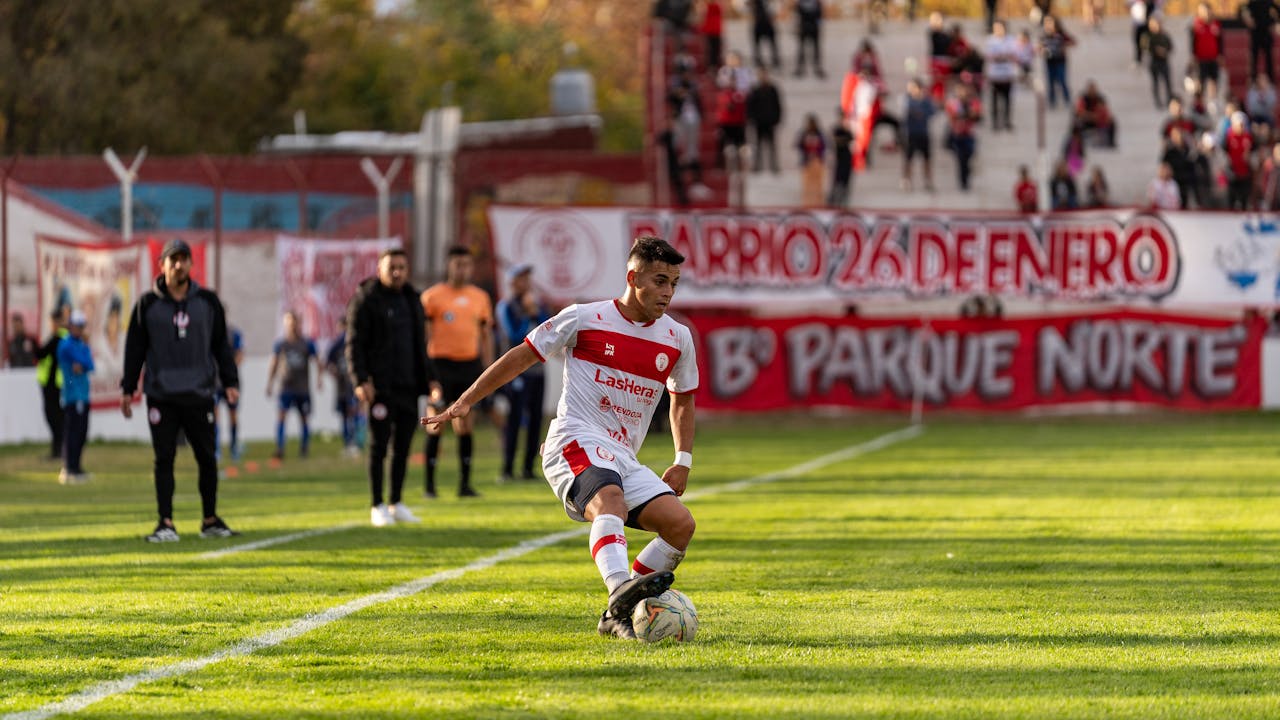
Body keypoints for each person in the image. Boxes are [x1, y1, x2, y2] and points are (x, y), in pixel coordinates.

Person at [420, 235, 699, 641]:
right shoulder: (584, 318)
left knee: (680, 526)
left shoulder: (677, 338)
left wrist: (682, 458)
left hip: (623, 455)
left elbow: (682, 400)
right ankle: (621, 590)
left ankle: (615, 609)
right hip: (574, 438)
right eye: (659, 281)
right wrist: (466, 401)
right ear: (632, 276)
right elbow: (521, 354)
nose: (668, 292)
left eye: (674, 283)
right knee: (611, 503)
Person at [121, 239, 239, 543]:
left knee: (207, 459)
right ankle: (166, 523)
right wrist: (127, 388)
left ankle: (210, 520)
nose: (179, 264)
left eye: (184, 259)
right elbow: (134, 349)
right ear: (161, 265)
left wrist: (230, 382)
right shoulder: (147, 304)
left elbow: (220, 347)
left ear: (191, 264)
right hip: (161, 394)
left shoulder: (208, 303)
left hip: (199, 393)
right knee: (164, 459)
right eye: (173, 259)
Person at [347, 248, 435, 526]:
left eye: (401, 267)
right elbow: (354, 344)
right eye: (391, 267)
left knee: (404, 446)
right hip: (379, 387)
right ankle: (377, 505)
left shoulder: (412, 299)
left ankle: (396, 502)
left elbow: (420, 345)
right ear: (379, 269)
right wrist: (360, 380)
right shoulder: (366, 299)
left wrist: (430, 379)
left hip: (408, 385)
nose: (397, 272)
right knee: (378, 446)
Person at [421, 245, 494, 499]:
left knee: (465, 424)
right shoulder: (432, 297)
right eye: (457, 264)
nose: (462, 269)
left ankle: (465, 485)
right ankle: (429, 486)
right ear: (448, 266)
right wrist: (426, 371)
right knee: (436, 422)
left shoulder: (480, 297)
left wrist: (488, 368)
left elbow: (486, 335)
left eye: (466, 264)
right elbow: (424, 336)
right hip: (439, 366)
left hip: (469, 366)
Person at [495, 264, 552, 483]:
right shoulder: (506, 306)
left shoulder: (536, 305)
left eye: (528, 278)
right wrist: (530, 315)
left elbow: (548, 330)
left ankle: (528, 468)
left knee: (537, 419)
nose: (526, 283)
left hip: (537, 371)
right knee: (515, 418)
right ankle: (507, 469)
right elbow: (514, 334)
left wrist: (535, 313)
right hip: (517, 373)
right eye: (522, 279)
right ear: (512, 282)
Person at [266, 310, 323, 460]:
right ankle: (280, 448)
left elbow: (318, 361)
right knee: (281, 417)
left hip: (302, 388)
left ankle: (304, 449)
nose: (292, 326)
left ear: (299, 324)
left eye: (294, 322)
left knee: (304, 418)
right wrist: (270, 383)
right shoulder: (281, 344)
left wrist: (319, 379)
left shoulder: (307, 343)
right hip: (285, 387)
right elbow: (274, 363)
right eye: (289, 323)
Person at [57, 310, 94, 485]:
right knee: (72, 432)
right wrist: (81, 362)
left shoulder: (82, 345)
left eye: (81, 326)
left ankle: (77, 466)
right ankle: (69, 467)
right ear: (70, 326)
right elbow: (78, 359)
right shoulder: (66, 344)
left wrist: (82, 364)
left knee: (82, 433)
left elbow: (88, 364)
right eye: (77, 326)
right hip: (72, 395)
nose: (80, 329)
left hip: (84, 394)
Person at [326, 317, 363, 458]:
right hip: (341, 386)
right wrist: (334, 371)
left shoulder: (355, 343)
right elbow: (328, 362)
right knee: (344, 416)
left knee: (354, 413)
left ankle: (355, 443)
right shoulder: (336, 346)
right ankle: (348, 443)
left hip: (353, 386)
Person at [34, 309, 68, 461]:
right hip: (54, 383)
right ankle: (59, 449)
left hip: (53, 383)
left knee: (54, 417)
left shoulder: (58, 338)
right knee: (57, 417)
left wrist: (32, 344)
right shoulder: (61, 338)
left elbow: (41, 353)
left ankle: (58, 450)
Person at [214, 310, 244, 462]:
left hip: (230, 382)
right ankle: (216, 449)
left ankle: (233, 446)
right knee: (214, 416)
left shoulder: (234, 334)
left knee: (233, 415)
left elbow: (240, 355)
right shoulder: (209, 333)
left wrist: (229, 371)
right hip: (214, 383)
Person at [901, 77, 937, 192]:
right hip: (911, 134)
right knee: (908, 159)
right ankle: (906, 180)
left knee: (926, 159)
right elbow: (906, 112)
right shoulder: (907, 100)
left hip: (923, 133)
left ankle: (928, 181)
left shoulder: (926, 100)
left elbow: (931, 112)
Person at [747, 66, 783, 174]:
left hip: (770, 121)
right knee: (757, 145)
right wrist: (752, 119)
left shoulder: (773, 89)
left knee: (772, 146)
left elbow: (778, 105)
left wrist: (777, 119)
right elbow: (750, 106)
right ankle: (757, 166)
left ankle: (774, 166)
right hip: (759, 122)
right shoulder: (755, 90)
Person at [985, 20, 1019, 132]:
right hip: (995, 75)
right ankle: (995, 123)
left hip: (1007, 74)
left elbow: (1013, 55)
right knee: (994, 101)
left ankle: (1007, 121)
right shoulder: (991, 40)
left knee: (1007, 101)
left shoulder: (1011, 40)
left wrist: (1001, 56)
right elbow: (991, 56)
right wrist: (1003, 56)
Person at [1190, 3, 1223, 110]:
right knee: (1200, 81)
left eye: (1207, 10)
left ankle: (1213, 101)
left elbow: (1220, 41)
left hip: (1213, 57)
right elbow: (1192, 42)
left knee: (1214, 79)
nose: (1206, 13)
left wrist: (1220, 55)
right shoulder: (1196, 24)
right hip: (1201, 58)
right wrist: (1193, 56)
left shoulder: (1216, 24)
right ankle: (1199, 103)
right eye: (1203, 11)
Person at [1040, 15, 1075, 110]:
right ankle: (1052, 101)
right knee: (1050, 81)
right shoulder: (1044, 35)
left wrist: (1064, 46)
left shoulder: (1061, 34)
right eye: (1046, 23)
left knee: (1062, 79)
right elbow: (1040, 46)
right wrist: (1042, 50)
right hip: (1049, 61)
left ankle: (1067, 99)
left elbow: (1073, 42)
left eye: (1050, 22)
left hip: (1060, 61)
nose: (1048, 25)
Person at [1242, 0, 1280, 81]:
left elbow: (1277, 10)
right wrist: (1247, 20)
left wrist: (1274, 22)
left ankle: (1270, 78)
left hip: (1266, 34)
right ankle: (1253, 78)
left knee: (1268, 57)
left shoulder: (1269, 2)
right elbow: (1243, 10)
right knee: (1254, 57)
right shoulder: (1253, 2)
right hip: (1256, 34)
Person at [797, 113, 827, 206]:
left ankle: (819, 202)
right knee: (807, 184)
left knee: (818, 184)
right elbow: (799, 144)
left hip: (817, 161)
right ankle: (807, 203)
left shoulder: (820, 134)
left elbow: (824, 145)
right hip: (807, 161)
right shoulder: (804, 133)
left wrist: (816, 154)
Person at [1144, 16, 1173, 109]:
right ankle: (1158, 102)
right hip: (1154, 62)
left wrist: (1164, 51)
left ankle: (1169, 100)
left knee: (1167, 82)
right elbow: (1146, 48)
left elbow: (1170, 46)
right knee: (1156, 83)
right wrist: (1157, 50)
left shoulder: (1164, 35)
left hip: (1164, 62)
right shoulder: (1148, 36)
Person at [828, 111, 854, 208]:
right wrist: (842, 140)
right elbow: (835, 141)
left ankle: (843, 200)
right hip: (838, 158)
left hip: (846, 158)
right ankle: (833, 200)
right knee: (836, 180)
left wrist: (841, 140)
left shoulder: (847, 129)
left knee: (845, 182)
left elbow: (850, 139)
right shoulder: (836, 129)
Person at [794, 0, 825, 79]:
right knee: (801, 49)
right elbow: (797, 14)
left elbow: (820, 15)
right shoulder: (800, 2)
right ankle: (800, 67)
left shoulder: (817, 2)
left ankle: (817, 66)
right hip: (803, 27)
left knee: (816, 49)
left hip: (814, 28)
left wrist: (819, 25)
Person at [748, 0, 780, 70]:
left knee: (773, 43)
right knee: (757, 45)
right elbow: (746, 8)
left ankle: (775, 60)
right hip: (758, 23)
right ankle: (758, 60)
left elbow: (776, 9)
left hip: (768, 24)